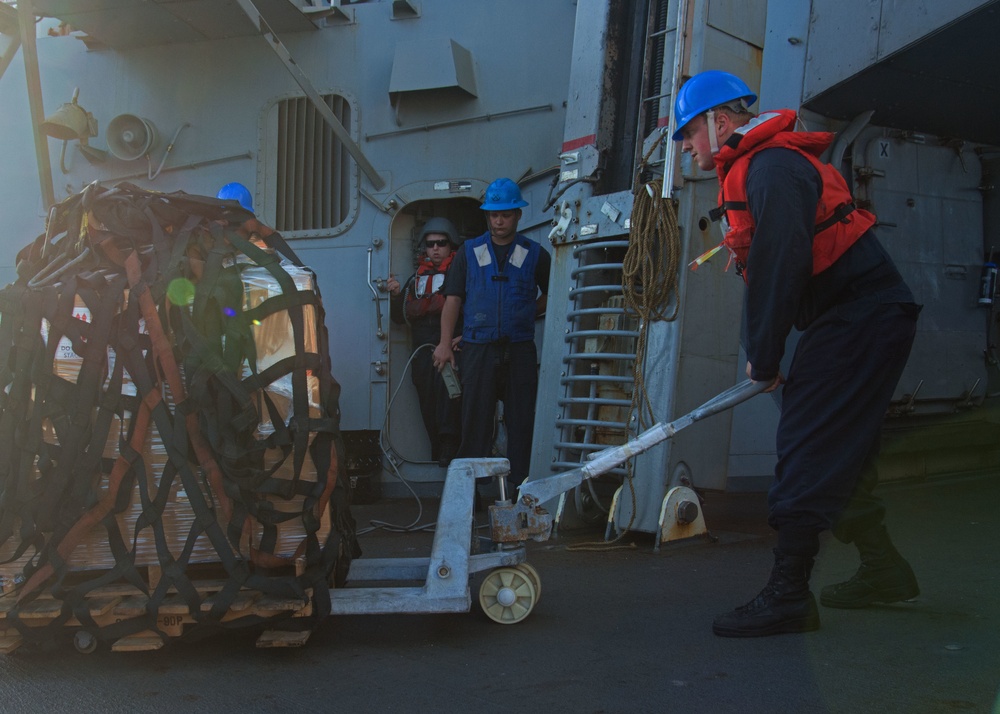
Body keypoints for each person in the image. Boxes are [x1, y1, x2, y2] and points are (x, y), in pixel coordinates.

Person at [673, 70, 922, 637]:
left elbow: (781, 264)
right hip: (857, 316)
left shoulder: (772, 168)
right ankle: (884, 569)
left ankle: (788, 595)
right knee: (841, 452)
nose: (687, 146)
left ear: (720, 121)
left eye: (689, 132)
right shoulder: (761, 167)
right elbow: (772, 268)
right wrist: (763, 352)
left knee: (806, 445)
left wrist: (763, 358)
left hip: (862, 315)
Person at [432, 178, 551, 490]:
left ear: (518, 215)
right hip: (478, 350)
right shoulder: (468, 253)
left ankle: (519, 490)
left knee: (522, 422)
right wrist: (445, 344)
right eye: (494, 215)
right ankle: (472, 496)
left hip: (520, 350)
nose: (500, 221)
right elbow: (453, 300)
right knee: (474, 423)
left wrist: (527, 313)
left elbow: (554, 293)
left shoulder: (536, 254)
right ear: (487, 216)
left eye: (506, 214)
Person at [387, 218, 463, 467]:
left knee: (451, 401)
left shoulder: (460, 276)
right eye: (431, 244)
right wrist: (397, 295)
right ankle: (437, 451)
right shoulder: (414, 281)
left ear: (450, 246)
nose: (436, 248)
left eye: (441, 243)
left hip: (452, 349)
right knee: (428, 404)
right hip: (422, 353)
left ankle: (451, 449)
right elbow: (400, 318)